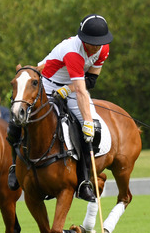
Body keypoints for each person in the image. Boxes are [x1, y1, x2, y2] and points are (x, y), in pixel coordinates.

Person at [7, 14, 113, 202]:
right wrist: (86, 118)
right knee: (20, 119)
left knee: (93, 131)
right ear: (82, 38)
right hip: (47, 84)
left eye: (98, 42)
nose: (94, 46)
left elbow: (91, 80)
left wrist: (86, 120)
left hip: (71, 87)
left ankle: (84, 181)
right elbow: (81, 91)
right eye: (90, 42)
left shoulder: (103, 49)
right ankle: (15, 167)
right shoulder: (73, 51)